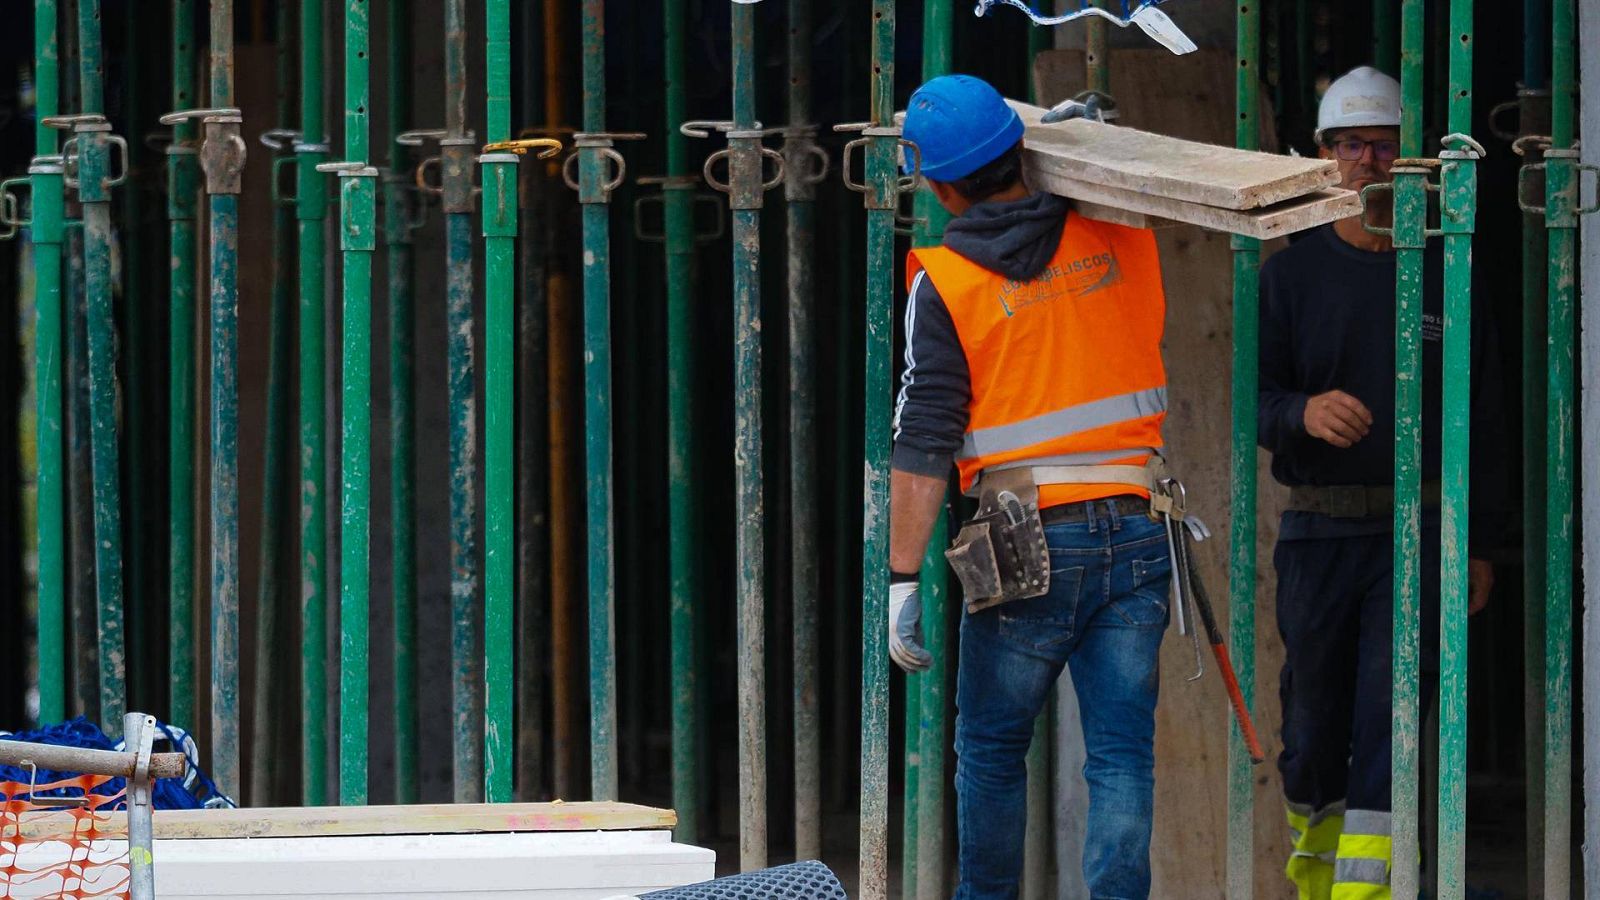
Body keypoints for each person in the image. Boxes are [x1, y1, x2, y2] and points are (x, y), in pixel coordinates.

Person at [888, 73, 1174, 900]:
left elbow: (925, 435)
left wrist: (904, 578)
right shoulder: (1118, 229)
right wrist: (1087, 146)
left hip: (1025, 543)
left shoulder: (946, 280)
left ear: (938, 186)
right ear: (1023, 154)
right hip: (1139, 517)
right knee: (1121, 753)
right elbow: (1112, 179)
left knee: (989, 750)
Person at [1259, 65, 1506, 900]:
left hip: (1418, 533)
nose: (1367, 159)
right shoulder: (1290, 277)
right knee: (1312, 728)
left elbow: (1491, 418)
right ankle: (1316, 880)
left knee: (1393, 723)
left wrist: (1481, 544)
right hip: (1320, 530)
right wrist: (1301, 412)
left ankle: (1370, 894)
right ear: (1323, 158)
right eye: (1350, 144)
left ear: (1413, 164)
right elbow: (1249, 403)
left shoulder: (1446, 273)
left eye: (1384, 145)